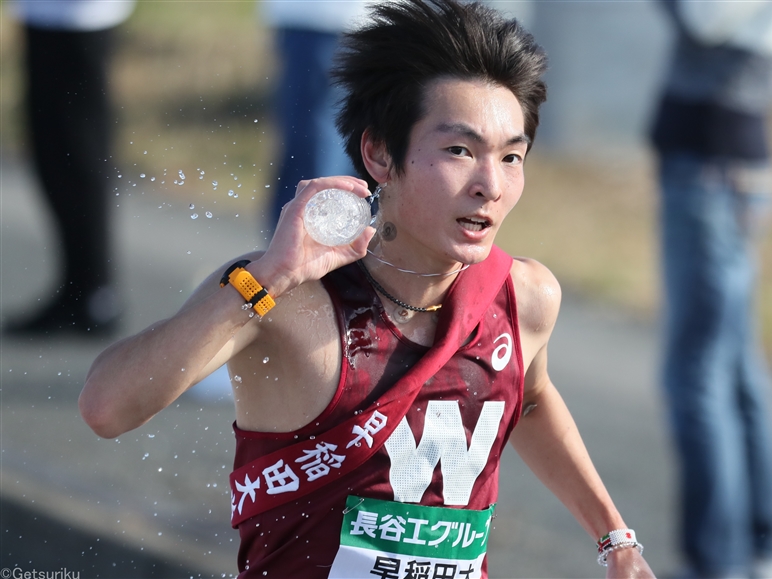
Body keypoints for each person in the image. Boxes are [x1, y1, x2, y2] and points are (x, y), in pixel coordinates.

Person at [79, 1, 657, 577]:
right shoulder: (289, 300)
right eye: (459, 150)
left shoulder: (523, 297)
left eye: (511, 156)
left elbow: (528, 400)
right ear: (380, 153)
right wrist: (269, 278)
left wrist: (615, 538)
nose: (490, 185)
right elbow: (106, 409)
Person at [650, 2, 772, 578]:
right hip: (725, 161)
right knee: (733, 368)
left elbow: (707, 17)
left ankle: (717, 562)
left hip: (711, 168)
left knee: (696, 377)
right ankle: (759, 549)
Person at [4, 0, 135, 337]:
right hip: (50, 12)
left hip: (75, 15)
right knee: (54, 147)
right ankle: (81, 287)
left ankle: (92, 290)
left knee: (76, 148)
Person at [258, 1, 367, 234]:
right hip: (361, 22)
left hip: (323, 20)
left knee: (314, 160)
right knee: (360, 154)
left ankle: (302, 260)